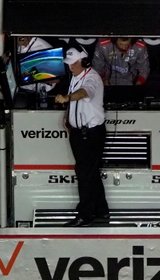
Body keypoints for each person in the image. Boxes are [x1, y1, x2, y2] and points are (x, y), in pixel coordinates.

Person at [54, 48, 108, 227]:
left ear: (84, 62)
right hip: (80, 133)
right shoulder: (76, 76)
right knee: (90, 173)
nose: (70, 67)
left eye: (73, 64)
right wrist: (69, 119)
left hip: (90, 135)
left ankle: (85, 215)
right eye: (68, 64)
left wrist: (67, 98)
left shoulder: (92, 78)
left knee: (85, 174)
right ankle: (101, 210)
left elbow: (85, 93)